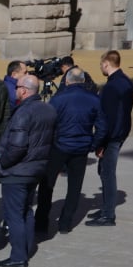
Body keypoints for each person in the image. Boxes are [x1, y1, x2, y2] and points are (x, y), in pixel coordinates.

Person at [0, 75, 56, 267]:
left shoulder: (24, 112)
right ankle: (25, 248)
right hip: (35, 169)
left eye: (17, 87)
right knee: (26, 211)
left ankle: (19, 256)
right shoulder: (48, 109)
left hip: (18, 171)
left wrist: (2, 162)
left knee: (14, 214)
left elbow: (17, 146)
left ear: (23, 90)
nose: (15, 91)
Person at [36, 67, 100, 235]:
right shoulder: (94, 99)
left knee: (47, 184)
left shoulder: (58, 99)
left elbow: (48, 123)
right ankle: (65, 222)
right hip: (81, 147)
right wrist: (94, 143)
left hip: (59, 146)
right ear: (84, 81)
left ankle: (41, 222)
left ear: (67, 81)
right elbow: (102, 125)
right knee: (74, 187)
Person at [88, 50, 133, 227]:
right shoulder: (125, 81)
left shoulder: (111, 88)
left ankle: (108, 215)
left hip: (112, 136)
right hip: (120, 133)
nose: (101, 67)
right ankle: (106, 207)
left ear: (106, 64)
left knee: (107, 173)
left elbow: (107, 118)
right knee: (104, 171)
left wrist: (100, 144)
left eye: (101, 65)